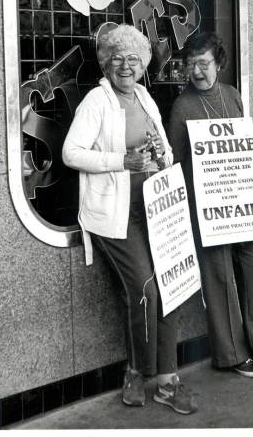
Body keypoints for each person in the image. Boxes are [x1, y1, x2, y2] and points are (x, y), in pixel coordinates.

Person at [62, 24, 198, 414]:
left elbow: (166, 153)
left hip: (155, 210)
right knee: (145, 290)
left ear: (143, 67)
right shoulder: (96, 101)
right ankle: (137, 372)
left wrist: (162, 156)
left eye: (133, 60)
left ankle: (168, 381)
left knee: (169, 287)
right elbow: (72, 152)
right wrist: (120, 161)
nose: (126, 66)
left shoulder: (144, 97)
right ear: (106, 63)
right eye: (117, 59)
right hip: (114, 216)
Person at [168, 31, 253, 381]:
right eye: (191, 65)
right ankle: (230, 355)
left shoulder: (232, 96)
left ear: (218, 63)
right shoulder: (182, 106)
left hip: (241, 202)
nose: (197, 71)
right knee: (219, 277)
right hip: (206, 205)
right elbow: (177, 162)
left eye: (203, 63)